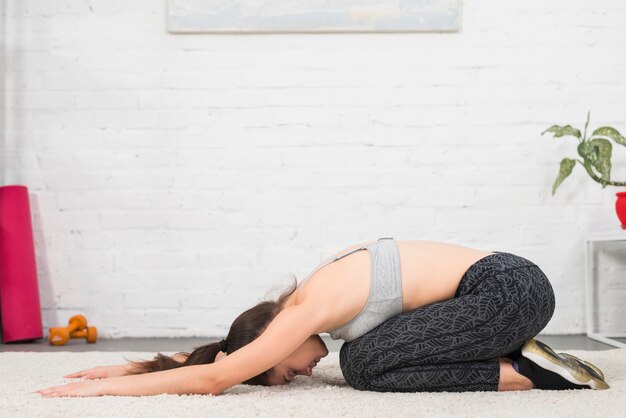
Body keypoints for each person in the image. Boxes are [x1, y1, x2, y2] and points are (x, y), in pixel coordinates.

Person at [36, 238, 609, 397]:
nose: (302, 374)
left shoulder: (310, 308)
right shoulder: (306, 306)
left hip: (509, 291)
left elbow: (216, 377)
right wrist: (131, 369)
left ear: (272, 338)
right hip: (506, 292)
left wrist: (105, 395)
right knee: (363, 361)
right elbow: (222, 357)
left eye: (282, 372)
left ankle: (538, 374)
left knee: (361, 364)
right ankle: (521, 365)